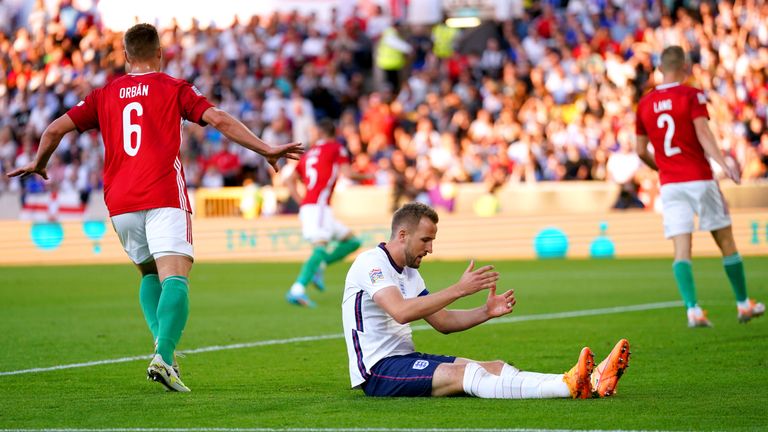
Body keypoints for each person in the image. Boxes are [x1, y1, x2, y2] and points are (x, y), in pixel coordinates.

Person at [7, 23, 304, 391]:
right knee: (175, 277)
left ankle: (163, 349)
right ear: (160, 53)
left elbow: (53, 130)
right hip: (162, 193)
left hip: (120, 202)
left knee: (148, 274)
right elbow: (220, 119)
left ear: (126, 56)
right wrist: (266, 149)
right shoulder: (173, 87)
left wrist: (40, 163)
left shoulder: (104, 94)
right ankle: (163, 355)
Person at [342, 202, 630, 398]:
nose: (430, 248)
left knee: (493, 366)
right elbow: (401, 312)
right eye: (425, 240)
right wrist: (459, 289)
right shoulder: (371, 263)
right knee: (467, 373)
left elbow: (442, 322)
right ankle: (568, 387)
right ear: (402, 235)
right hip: (378, 371)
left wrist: (485, 311)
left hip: (405, 360)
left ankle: (582, 381)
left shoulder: (409, 273)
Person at [635, 45, 764, 328]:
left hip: (670, 184)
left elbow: (640, 150)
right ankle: (744, 304)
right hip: (699, 178)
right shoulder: (691, 95)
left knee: (682, 248)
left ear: (659, 69)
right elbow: (703, 132)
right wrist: (724, 163)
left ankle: (692, 310)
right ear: (685, 67)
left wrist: (662, 167)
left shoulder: (644, 104)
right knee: (726, 241)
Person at [284, 118, 363, 307]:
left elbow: (289, 180)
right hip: (318, 207)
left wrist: (302, 202)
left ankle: (320, 265)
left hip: (317, 207)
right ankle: (297, 289)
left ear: (320, 132)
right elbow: (348, 174)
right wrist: (370, 175)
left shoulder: (310, 153)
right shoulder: (336, 148)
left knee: (352, 241)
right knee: (320, 248)